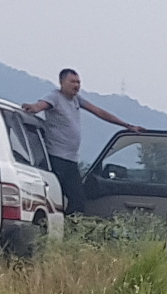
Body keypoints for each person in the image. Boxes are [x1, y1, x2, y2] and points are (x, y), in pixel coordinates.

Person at [21, 69, 131, 213]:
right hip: (56, 157)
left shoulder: (77, 100)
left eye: (78, 82)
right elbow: (41, 105)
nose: (76, 85)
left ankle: (71, 229)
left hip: (71, 160)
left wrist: (127, 125)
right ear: (62, 82)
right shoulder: (54, 97)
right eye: (72, 81)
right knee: (56, 198)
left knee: (78, 201)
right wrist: (33, 107)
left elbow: (99, 112)